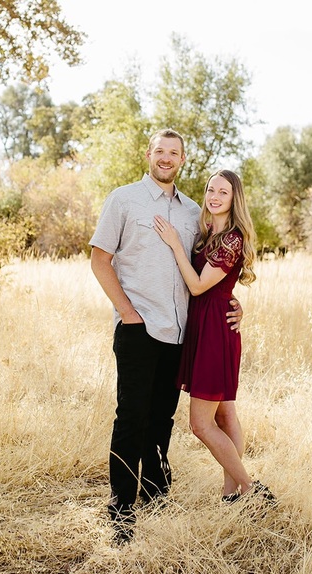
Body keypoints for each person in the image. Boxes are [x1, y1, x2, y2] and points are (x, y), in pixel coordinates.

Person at [89, 129, 243, 543]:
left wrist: (234, 304)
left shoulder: (194, 212)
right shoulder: (123, 199)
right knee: (131, 419)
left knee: (162, 420)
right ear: (149, 154)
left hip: (181, 335)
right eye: (160, 151)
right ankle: (121, 509)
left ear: (182, 159)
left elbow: (212, 269)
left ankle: (156, 497)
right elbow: (99, 260)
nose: (166, 158)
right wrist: (127, 313)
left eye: (174, 152)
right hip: (139, 328)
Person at [153, 169, 276, 506]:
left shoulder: (232, 239)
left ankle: (250, 488)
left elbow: (197, 286)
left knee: (200, 424)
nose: (215, 197)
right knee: (225, 415)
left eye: (223, 192)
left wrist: (174, 244)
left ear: (235, 199)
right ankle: (230, 495)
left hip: (214, 333)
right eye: (211, 190)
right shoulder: (209, 233)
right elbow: (216, 287)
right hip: (204, 325)